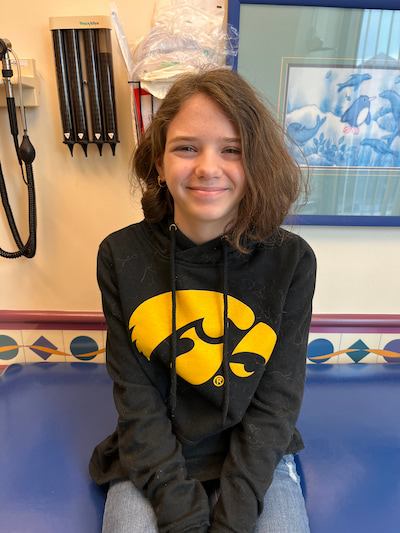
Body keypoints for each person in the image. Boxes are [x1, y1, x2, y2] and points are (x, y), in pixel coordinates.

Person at [89, 68, 316, 533]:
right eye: (186, 147)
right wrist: (186, 519)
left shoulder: (292, 260)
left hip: (256, 460)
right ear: (159, 161)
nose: (207, 167)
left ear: (255, 163)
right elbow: (137, 400)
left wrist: (231, 521)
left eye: (232, 150)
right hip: (153, 459)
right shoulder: (119, 254)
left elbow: (276, 404)